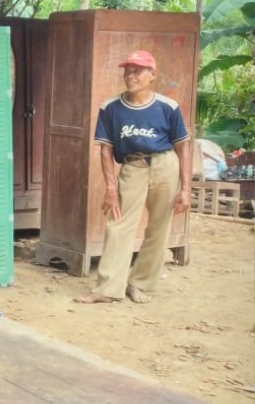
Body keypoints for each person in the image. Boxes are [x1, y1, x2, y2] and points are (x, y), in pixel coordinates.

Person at [76, 50, 191, 304]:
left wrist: (185, 188)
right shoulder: (111, 108)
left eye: (137, 70)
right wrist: (110, 187)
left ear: (152, 75)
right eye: (128, 70)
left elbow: (182, 148)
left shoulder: (168, 107)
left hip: (165, 164)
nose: (131, 75)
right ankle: (107, 289)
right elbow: (105, 150)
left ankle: (140, 284)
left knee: (159, 228)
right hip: (132, 166)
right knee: (118, 224)